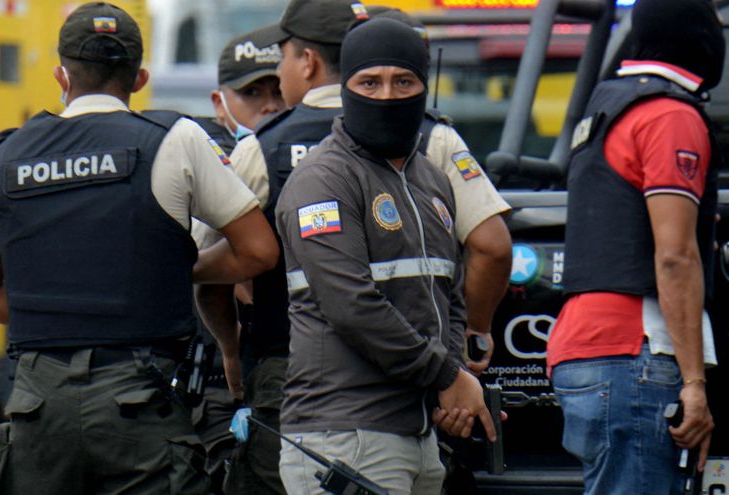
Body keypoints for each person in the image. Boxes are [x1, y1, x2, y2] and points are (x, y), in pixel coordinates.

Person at [0, 3, 278, 493]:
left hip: (39, 404)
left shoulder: (5, 160)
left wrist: (62, 317)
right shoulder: (175, 141)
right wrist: (175, 274)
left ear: (62, 75)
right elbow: (258, 252)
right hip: (141, 399)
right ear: (141, 79)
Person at [276, 18, 495, 495]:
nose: (388, 95)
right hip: (344, 435)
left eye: (404, 81)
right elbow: (350, 304)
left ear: (424, 88)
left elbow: (449, 296)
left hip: (419, 435)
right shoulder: (323, 179)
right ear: (345, 88)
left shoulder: (432, 181)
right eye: (369, 82)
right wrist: (446, 375)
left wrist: (452, 381)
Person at [545, 0, 725, 493]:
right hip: (635, 352)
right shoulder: (670, 115)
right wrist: (694, 384)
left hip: (585, 350)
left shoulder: (608, 105)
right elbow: (675, 256)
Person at [194, 2, 366, 493]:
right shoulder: (423, 135)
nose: (269, 104)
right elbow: (485, 244)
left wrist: (232, 350)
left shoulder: (263, 148)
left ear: (306, 63)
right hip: (399, 371)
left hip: (289, 366)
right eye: (252, 93)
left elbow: (207, 266)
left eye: (277, 79)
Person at [367, 5, 512, 376]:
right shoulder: (436, 138)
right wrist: (473, 329)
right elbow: (492, 246)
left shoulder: (280, 140)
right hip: (425, 353)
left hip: (309, 357)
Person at [188, 28, 284, 495]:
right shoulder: (198, 165)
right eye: (253, 94)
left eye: (278, 92)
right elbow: (204, 269)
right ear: (220, 103)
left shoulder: (312, 157)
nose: (269, 106)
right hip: (218, 378)